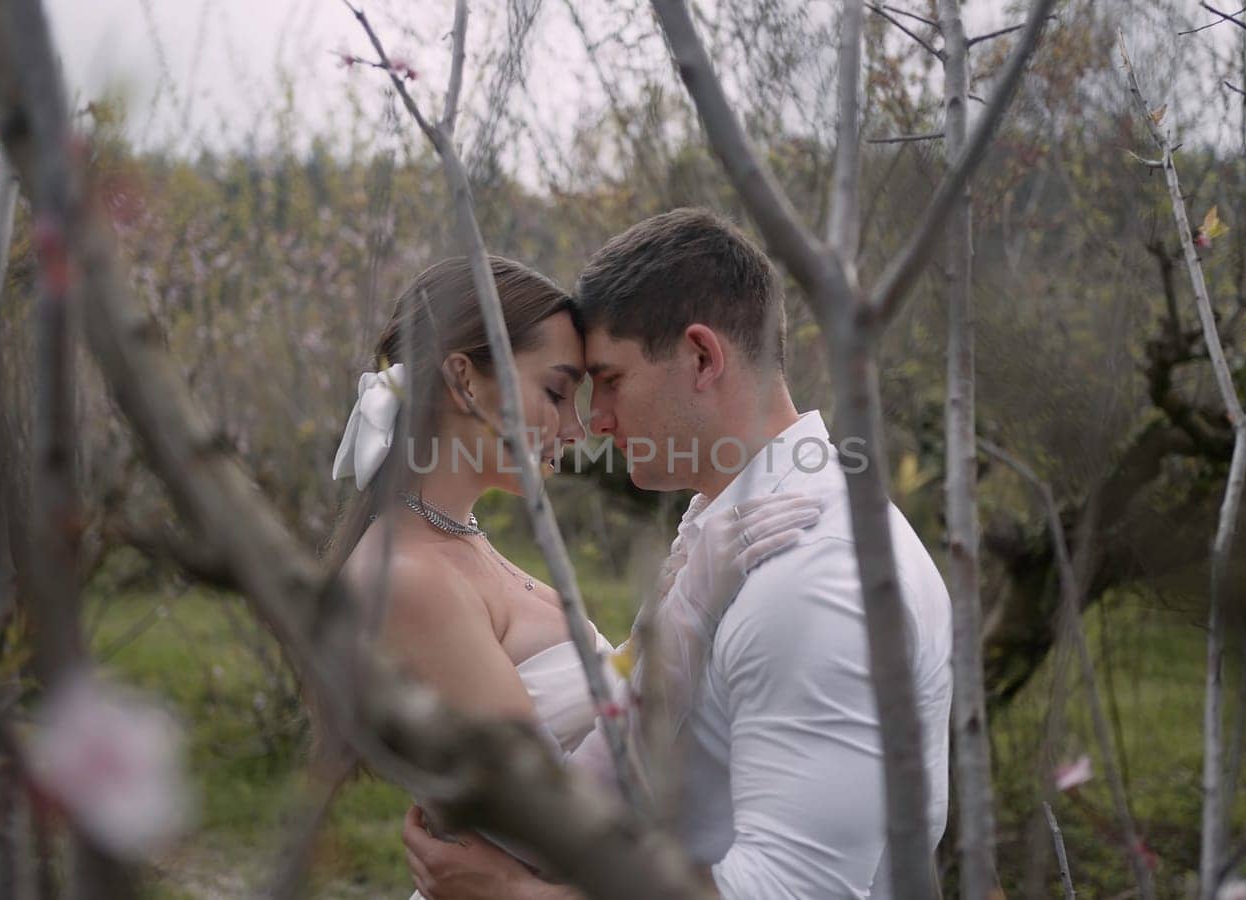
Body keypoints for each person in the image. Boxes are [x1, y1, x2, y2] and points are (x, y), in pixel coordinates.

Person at [400, 209, 954, 899]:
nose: (594, 420)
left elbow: (794, 891)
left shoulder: (812, 575)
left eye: (610, 378)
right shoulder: (736, 530)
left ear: (701, 357)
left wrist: (517, 896)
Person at [323, 254, 822, 898]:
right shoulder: (408, 579)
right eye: (556, 392)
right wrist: (689, 609)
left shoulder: (460, 544)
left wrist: (672, 595)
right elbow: (550, 817)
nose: (580, 427)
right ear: (464, 382)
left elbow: (594, 705)